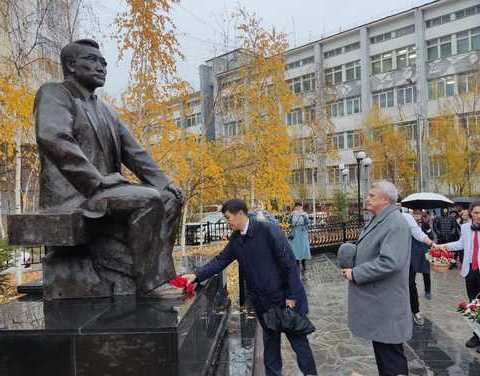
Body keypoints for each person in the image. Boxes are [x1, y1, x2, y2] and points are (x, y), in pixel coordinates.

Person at [34, 39, 183, 297]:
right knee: (150, 199)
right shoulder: (55, 93)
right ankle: (146, 282)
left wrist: (164, 182)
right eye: (92, 60)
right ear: (71, 65)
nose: (101, 66)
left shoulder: (105, 110)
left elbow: (134, 152)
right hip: (76, 196)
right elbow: (53, 138)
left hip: (108, 192)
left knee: (170, 197)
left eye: (103, 62)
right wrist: (96, 181)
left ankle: (146, 272)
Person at [183, 199, 317, 376]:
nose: (227, 222)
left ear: (240, 214)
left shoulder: (268, 231)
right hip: (264, 305)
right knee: (270, 350)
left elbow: (289, 263)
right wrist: (197, 275)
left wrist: (292, 296)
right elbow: (221, 260)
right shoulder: (237, 239)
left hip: (286, 301)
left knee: (300, 345)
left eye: (228, 217)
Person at [340, 181, 412, 376]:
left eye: (372, 195)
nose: (367, 198)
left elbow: (390, 262)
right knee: (384, 355)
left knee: (391, 359)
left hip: (386, 305)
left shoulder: (395, 223)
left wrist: (356, 273)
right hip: (379, 305)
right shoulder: (379, 219)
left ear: (386, 199)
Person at [435, 202, 480, 352]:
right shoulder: (466, 228)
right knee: (473, 305)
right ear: (470, 213)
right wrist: (443, 246)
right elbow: (461, 244)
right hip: (470, 271)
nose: (478, 216)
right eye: (475, 213)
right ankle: (477, 335)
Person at [404, 210, 434, 326]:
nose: (416, 216)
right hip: (394, 257)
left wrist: (432, 243)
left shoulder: (409, 218)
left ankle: (415, 310)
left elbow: (423, 235)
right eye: (415, 214)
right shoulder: (381, 217)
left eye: (418, 214)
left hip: (416, 255)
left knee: (412, 283)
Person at [288, 203, 311, 272]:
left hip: (302, 233)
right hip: (295, 233)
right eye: (297, 207)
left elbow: (307, 223)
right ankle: (297, 265)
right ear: (295, 207)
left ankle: (304, 265)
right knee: (295, 249)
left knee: (303, 248)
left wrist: (303, 216)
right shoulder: (293, 214)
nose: (298, 208)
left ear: (301, 207)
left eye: (299, 207)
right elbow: (289, 223)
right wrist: (291, 216)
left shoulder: (304, 214)